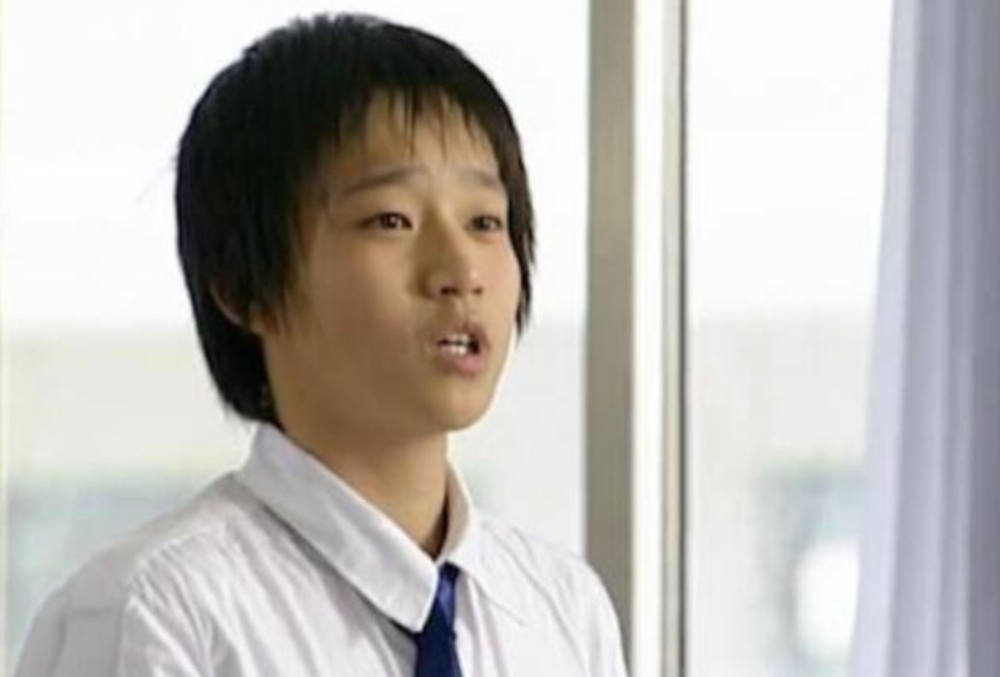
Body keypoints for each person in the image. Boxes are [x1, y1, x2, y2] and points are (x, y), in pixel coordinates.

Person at [13, 13, 628, 677]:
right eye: (391, 219)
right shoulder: (155, 612)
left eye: (485, 221)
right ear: (243, 286)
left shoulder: (562, 609)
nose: (460, 270)